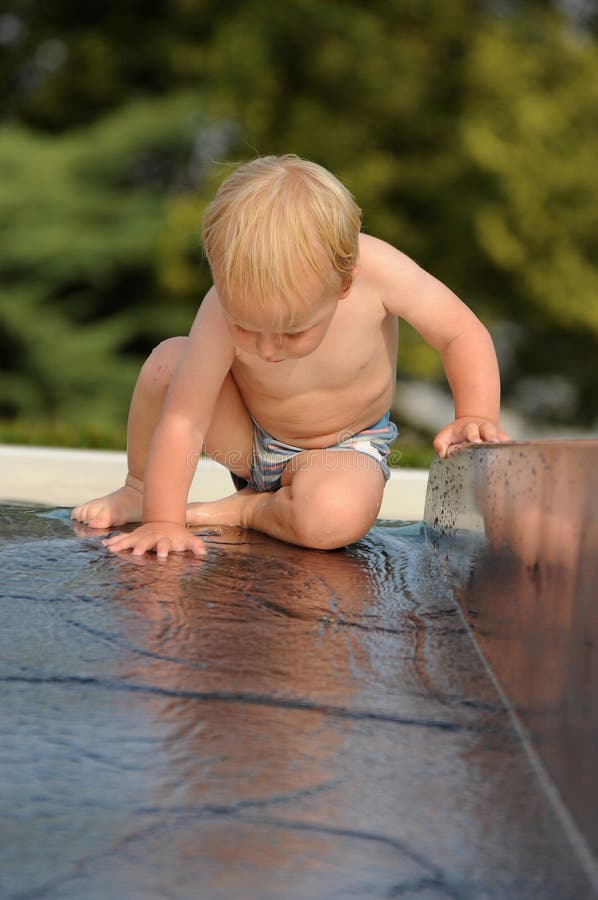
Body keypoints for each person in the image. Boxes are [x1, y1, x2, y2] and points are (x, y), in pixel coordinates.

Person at [72, 154, 509, 557]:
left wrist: (475, 413)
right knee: (170, 360)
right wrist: (162, 521)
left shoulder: (379, 272)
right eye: (246, 327)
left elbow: (459, 331)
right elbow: (185, 419)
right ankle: (139, 487)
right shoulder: (221, 304)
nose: (266, 349)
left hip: (339, 451)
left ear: (343, 285)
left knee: (332, 518)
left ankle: (248, 511)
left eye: (292, 332)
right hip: (248, 442)